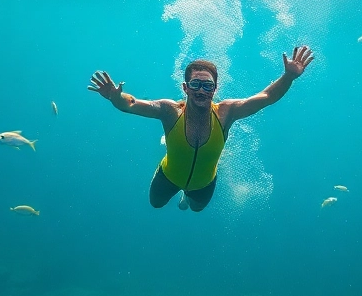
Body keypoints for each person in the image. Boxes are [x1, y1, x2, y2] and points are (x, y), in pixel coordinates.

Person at [88, 47, 315, 211]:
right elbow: (131, 103)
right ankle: (168, 158)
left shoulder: (227, 112)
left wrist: (288, 76)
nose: (201, 91)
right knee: (155, 204)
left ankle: (186, 198)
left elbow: (266, 97)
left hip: (204, 183)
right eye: (195, 84)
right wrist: (115, 97)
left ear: (215, 90)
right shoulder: (171, 111)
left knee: (195, 208)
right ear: (185, 88)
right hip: (169, 176)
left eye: (207, 86)